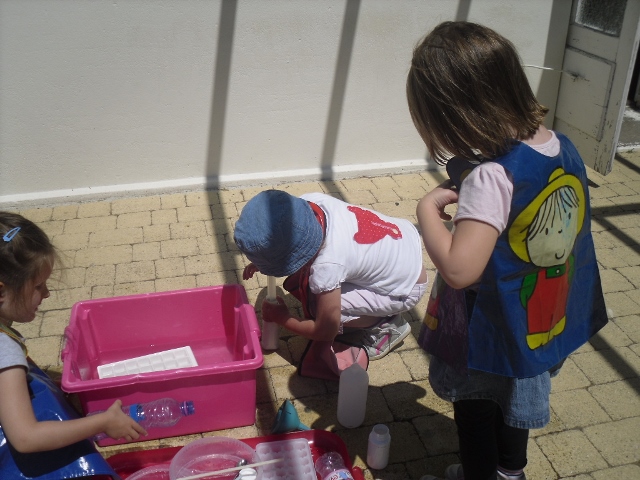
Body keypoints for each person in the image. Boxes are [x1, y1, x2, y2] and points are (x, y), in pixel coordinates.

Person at [407, 22, 607, 480]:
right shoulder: (561, 147)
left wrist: (426, 211)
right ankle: (511, 472)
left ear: (453, 113)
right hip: (539, 317)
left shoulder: (490, 177)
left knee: (477, 407)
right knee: (517, 394)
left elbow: (460, 270)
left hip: (491, 329)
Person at [0, 212, 147, 478]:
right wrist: (101, 422)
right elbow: (26, 437)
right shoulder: (4, 350)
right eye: (38, 286)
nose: (46, 294)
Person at [234, 189, 428, 360]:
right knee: (315, 288)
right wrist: (267, 260)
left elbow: (325, 330)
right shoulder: (311, 202)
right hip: (403, 242)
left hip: (407, 287)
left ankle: (386, 325)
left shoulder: (327, 265)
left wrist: (283, 318)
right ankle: (371, 312)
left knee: (318, 306)